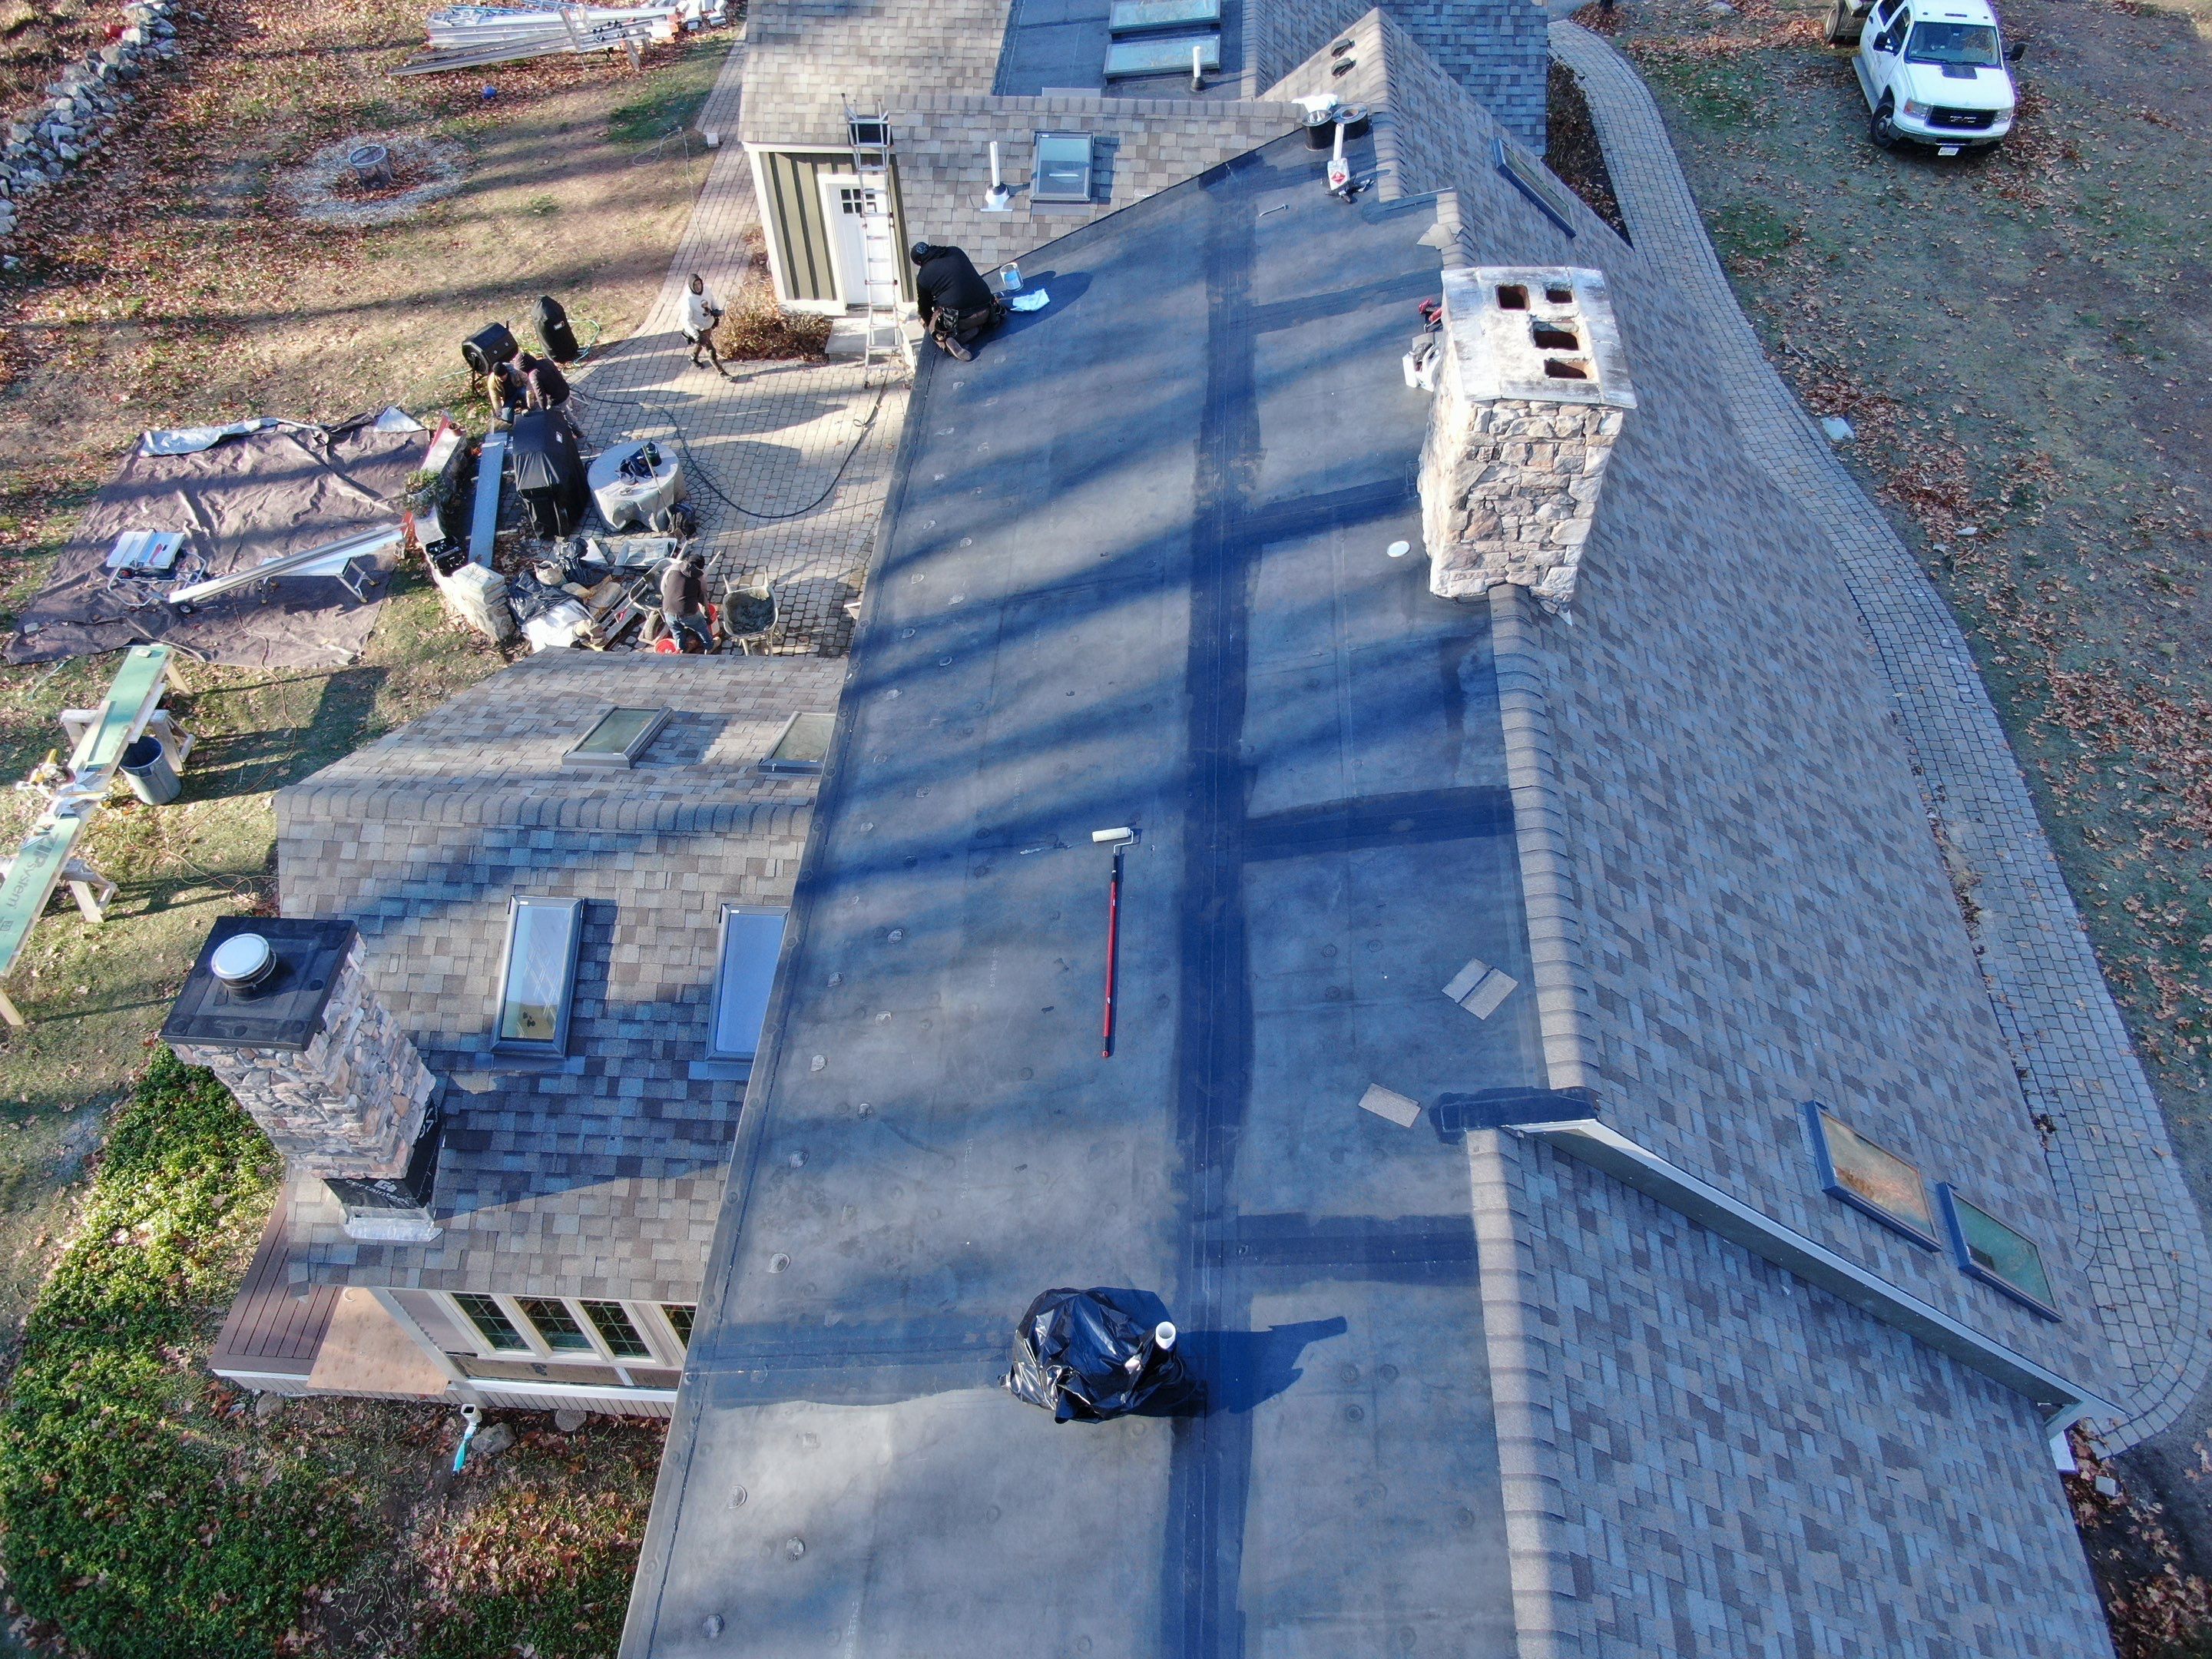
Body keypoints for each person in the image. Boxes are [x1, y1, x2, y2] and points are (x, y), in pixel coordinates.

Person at [910, 240, 1004, 362]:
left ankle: (947, 340)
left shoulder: (923, 277)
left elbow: (924, 309)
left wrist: (931, 324)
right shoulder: (955, 251)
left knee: (932, 322)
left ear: (919, 262)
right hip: (987, 310)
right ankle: (978, 328)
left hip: (962, 321)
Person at [659, 551, 716, 653]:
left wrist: (668, 600)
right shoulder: (700, 579)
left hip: (667, 610)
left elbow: (663, 586)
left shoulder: (674, 568)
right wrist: (707, 616)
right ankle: (709, 646)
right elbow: (703, 601)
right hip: (687, 613)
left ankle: (681, 648)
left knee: (677, 631)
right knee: (701, 627)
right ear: (700, 567)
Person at [518, 350, 581, 441]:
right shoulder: (546, 361)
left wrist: (544, 409)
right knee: (566, 411)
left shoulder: (533, 375)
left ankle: (572, 434)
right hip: (565, 391)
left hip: (556, 400)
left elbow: (540, 395)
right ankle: (578, 431)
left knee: (559, 418)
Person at [682, 273, 732, 376]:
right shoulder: (688, 300)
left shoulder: (706, 290)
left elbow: (712, 301)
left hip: (709, 324)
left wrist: (716, 312)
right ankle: (722, 372)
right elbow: (686, 320)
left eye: (699, 284)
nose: (698, 287)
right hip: (699, 329)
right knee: (711, 350)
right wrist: (696, 335)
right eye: (695, 285)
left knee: (701, 343)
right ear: (691, 286)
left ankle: (693, 357)